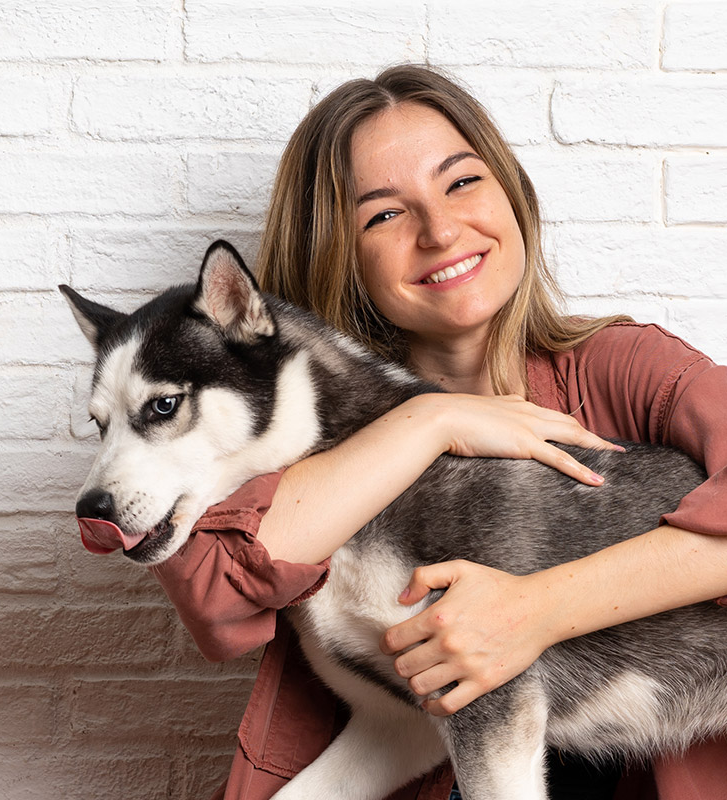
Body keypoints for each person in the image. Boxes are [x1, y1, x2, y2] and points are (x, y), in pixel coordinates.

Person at [153, 64, 727, 800]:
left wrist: (535, 610)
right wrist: (432, 419)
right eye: (384, 215)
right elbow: (217, 594)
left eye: (461, 182)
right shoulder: (285, 430)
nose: (441, 230)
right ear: (338, 253)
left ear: (512, 193)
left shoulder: (621, 369)